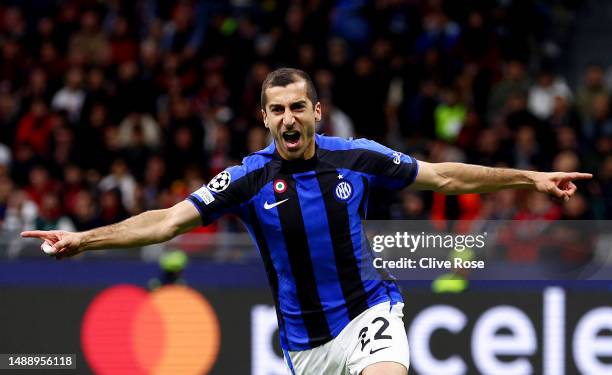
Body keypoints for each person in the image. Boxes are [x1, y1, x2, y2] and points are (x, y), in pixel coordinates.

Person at [21, 68, 592, 375]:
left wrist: (530, 178)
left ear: (316, 111)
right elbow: (168, 221)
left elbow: (444, 177)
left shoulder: (356, 155)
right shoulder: (246, 178)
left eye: (299, 106)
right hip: (304, 347)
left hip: (369, 312)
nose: (289, 118)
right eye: (278, 109)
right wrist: (84, 239)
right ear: (264, 118)